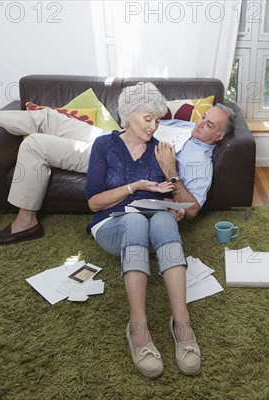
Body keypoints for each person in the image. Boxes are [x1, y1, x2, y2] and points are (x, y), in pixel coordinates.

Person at [0, 83, 235, 245]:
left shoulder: (200, 160)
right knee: (48, 117)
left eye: (209, 126)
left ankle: (26, 223)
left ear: (219, 138)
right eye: (203, 118)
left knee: (34, 144)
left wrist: (170, 171)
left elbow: (191, 209)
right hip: (114, 137)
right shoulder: (186, 127)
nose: (200, 125)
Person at [85, 82, 203, 378]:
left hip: (154, 229)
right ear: (127, 115)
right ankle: (138, 327)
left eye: (158, 119)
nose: (154, 126)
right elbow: (94, 203)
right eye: (147, 119)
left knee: (163, 220)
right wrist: (134, 187)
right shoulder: (104, 146)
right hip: (113, 226)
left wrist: (171, 174)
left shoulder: (161, 151)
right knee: (136, 220)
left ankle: (182, 324)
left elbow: (189, 210)